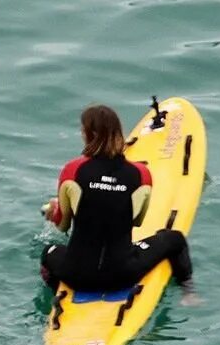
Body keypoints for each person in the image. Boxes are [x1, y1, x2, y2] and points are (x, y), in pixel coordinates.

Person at [40, 103, 194, 296]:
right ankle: (189, 292)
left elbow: (62, 226)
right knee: (175, 239)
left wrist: (55, 210)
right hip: (123, 275)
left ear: (91, 134)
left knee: (48, 252)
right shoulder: (141, 174)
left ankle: (59, 296)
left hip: (76, 274)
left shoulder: (73, 171)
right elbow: (137, 221)